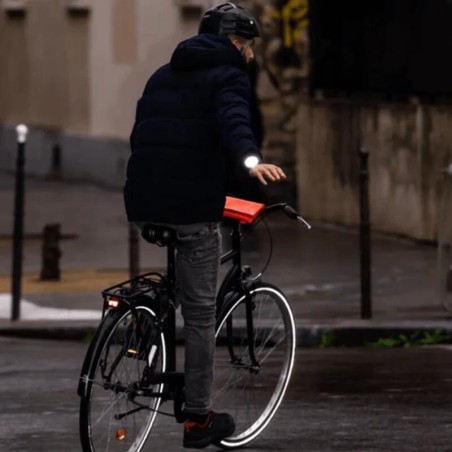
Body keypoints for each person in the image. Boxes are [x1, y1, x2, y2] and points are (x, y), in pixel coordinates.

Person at [123, 2, 286, 449]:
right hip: (190, 207)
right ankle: (198, 419)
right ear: (234, 43)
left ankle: (145, 323)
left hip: (142, 201)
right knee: (199, 314)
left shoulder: (162, 73)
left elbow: (143, 136)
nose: (251, 56)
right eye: (248, 47)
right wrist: (251, 162)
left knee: (179, 283)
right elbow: (235, 122)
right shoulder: (228, 75)